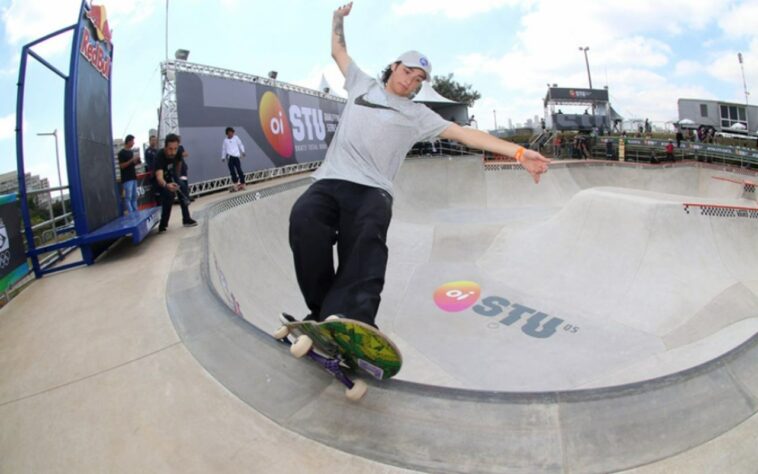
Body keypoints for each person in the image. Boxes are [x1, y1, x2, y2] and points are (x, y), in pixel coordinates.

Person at [287, 2, 550, 328]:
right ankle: (323, 314)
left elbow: (466, 135)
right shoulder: (361, 83)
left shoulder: (418, 115)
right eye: (408, 71)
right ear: (394, 67)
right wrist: (337, 19)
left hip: (373, 190)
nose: (411, 80)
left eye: (418, 79)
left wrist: (520, 154)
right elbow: (338, 51)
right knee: (304, 220)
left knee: (366, 240)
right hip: (331, 179)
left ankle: (353, 319)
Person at [153, 133, 197, 232]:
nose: (173, 152)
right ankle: (163, 224)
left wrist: (176, 178)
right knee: (169, 196)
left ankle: (186, 219)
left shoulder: (178, 152)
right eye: (170, 149)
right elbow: (159, 178)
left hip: (172, 175)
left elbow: (178, 164)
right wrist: (166, 185)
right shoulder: (159, 156)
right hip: (162, 180)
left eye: (175, 149)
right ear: (165, 147)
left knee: (183, 187)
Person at [117, 134, 140, 214]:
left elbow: (132, 165)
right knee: (128, 197)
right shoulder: (121, 153)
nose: (133, 143)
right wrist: (131, 160)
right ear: (129, 141)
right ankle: (131, 214)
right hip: (127, 178)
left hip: (133, 176)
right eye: (132, 141)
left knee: (134, 197)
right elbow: (122, 166)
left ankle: (136, 213)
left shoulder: (130, 152)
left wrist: (136, 161)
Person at [221, 127, 246, 192]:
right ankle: (235, 184)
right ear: (227, 133)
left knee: (239, 170)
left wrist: (243, 151)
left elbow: (240, 145)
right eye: (230, 133)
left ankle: (243, 183)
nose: (231, 134)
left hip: (236, 157)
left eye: (232, 132)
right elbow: (224, 149)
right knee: (232, 172)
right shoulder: (225, 141)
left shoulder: (236, 138)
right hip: (229, 158)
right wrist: (223, 157)